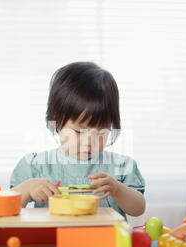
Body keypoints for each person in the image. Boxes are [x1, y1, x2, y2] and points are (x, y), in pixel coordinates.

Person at [10, 61, 145, 220]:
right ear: (56, 121)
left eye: (100, 132)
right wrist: (28, 188)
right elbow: (8, 207)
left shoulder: (121, 165)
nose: (89, 142)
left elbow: (138, 209)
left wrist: (116, 189)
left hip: (106, 242)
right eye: (79, 131)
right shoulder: (35, 165)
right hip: (56, 242)